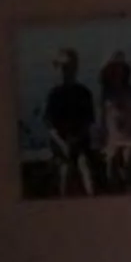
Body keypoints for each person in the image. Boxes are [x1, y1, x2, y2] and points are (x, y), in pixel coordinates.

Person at [41, 48, 97, 197]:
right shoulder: (54, 95)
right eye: (63, 68)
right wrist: (63, 144)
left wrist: (75, 141)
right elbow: (50, 126)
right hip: (60, 146)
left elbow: (88, 123)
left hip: (80, 144)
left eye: (70, 68)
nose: (66, 71)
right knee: (64, 171)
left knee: (85, 165)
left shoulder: (84, 93)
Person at [98, 52, 131, 191]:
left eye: (119, 68)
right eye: (112, 69)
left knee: (128, 157)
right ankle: (114, 193)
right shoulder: (105, 94)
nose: (116, 72)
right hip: (114, 138)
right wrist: (102, 141)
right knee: (111, 159)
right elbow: (103, 120)